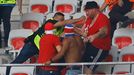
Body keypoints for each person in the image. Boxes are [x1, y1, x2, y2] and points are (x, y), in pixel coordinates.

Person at [74, 1, 111, 74]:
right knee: (84, 69)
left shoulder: (102, 18)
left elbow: (104, 31)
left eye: (87, 11)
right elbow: (83, 32)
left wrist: (95, 36)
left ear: (94, 9)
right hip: (89, 46)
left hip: (100, 48)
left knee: (89, 71)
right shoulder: (89, 18)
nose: (86, 13)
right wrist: (73, 29)